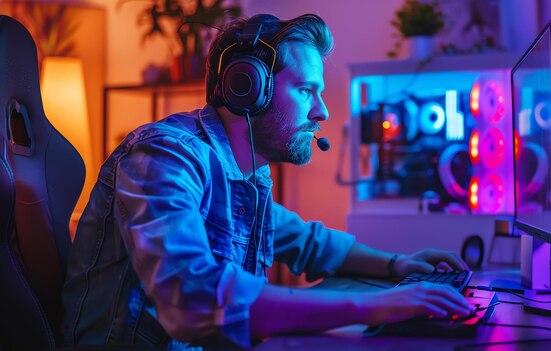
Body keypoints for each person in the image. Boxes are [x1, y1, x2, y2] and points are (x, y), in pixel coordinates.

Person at [62, 13, 474, 350]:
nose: (322, 112)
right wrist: (371, 305)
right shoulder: (164, 156)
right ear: (248, 88)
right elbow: (191, 296)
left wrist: (395, 265)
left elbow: (307, 241)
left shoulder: (247, 176)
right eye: (305, 90)